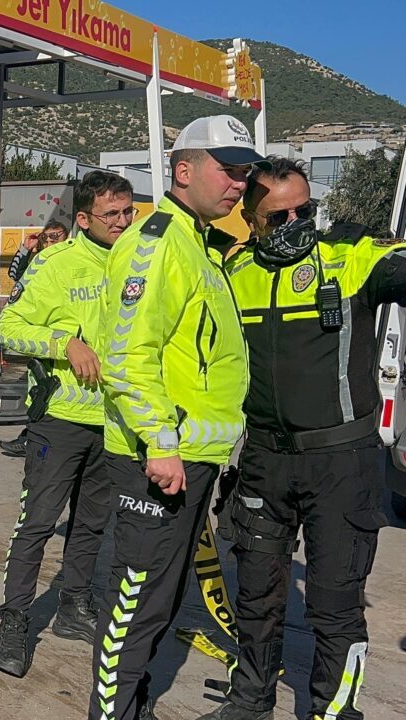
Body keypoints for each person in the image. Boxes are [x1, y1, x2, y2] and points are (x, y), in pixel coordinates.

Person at [197, 158, 402, 720]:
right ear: (252, 221)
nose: (296, 221)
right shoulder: (233, 270)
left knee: (335, 605)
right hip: (264, 459)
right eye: (280, 214)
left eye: (305, 209)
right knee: (257, 594)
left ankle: (333, 712)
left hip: (344, 463)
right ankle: (250, 700)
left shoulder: (350, 257)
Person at [88, 116, 268, 720]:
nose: (239, 183)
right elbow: (127, 355)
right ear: (183, 171)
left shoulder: (197, 243)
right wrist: (161, 444)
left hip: (192, 458)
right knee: (135, 609)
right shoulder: (159, 243)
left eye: (244, 171)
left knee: (158, 606)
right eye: (228, 169)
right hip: (158, 461)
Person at [0, 172, 137, 678]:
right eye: (110, 214)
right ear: (82, 218)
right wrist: (63, 344)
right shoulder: (55, 263)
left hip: (114, 419)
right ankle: (14, 620)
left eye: (127, 212)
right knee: (37, 523)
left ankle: (75, 606)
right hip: (60, 419)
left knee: (93, 523)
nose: (121, 223)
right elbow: (7, 330)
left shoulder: (138, 261)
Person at [0, 220, 69, 457]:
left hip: (61, 335)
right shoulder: (38, 261)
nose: (49, 242)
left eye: (55, 237)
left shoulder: (69, 259)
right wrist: (24, 249)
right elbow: (15, 276)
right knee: (39, 391)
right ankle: (28, 438)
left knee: (48, 392)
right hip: (40, 336)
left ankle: (31, 440)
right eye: (46, 238)